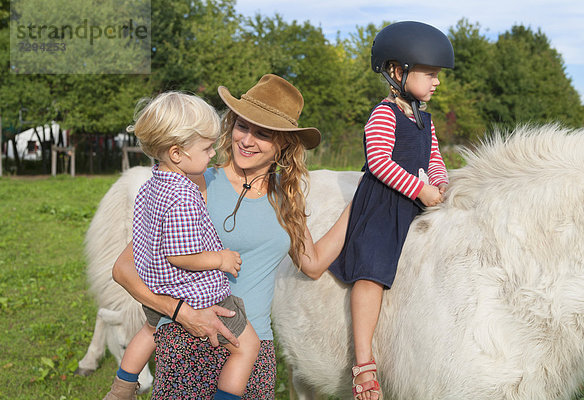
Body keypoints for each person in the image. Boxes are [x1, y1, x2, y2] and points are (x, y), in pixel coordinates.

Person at [111, 74, 351, 399]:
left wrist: (357, 206)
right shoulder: (195, 184)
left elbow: (312, 263)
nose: (247, 140)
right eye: (242, 126)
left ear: (283, 143)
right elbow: (125, 269)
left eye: (262, 133)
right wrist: (183, 313)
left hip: (254, 349)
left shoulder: (287, 198)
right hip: (190, 341)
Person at [104, 92, 260, 400]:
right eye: (206, 147)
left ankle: (121, 388)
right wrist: (221, 259)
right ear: (177, 153)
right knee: (247, 348)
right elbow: (181, 255)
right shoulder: (184, 195)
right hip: (193, 292)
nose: (213, 153)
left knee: (149, 332)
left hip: (155, 285)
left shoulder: (151, 184)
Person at [328, 21, 455, 400]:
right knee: (372, 272)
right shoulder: (384, 114)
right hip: (384, 204)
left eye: (437, 76)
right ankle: (364, 361)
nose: (436, 83)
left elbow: (434, 157)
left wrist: (440, 183)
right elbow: (380, 162)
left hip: (414, 201)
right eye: (429, 74)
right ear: (398, 72)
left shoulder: (423, 118)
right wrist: (420, 188)